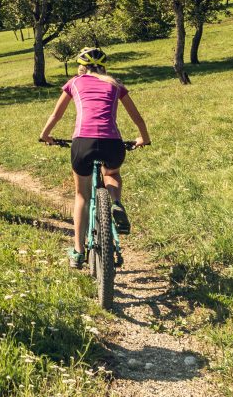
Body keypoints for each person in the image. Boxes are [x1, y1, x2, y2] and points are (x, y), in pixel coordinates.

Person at [37, 47, 151, 267]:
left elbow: (56, 114)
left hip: (83, 142)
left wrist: (45, 135)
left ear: (82, 67)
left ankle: (79, 252)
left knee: (82, 195)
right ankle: (115, 202)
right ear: (104, 67)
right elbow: (137, 117)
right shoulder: (115, 84)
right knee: (113, 173)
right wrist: (143, 139)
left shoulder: (74, 83)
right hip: (112, 143)